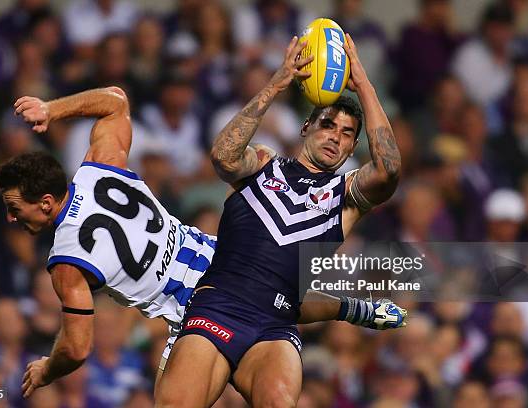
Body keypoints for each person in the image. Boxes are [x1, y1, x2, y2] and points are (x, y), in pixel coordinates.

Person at [0, 86, 406, 398]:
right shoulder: (98, 169)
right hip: (210, 252)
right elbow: (116, 100)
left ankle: (354, 308)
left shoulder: (66, 260)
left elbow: (77, 348)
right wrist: (51, 109)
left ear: (46, 202)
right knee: (279, 288)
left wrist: (48, 369)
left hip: (195, 302)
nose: (11, 217)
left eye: (14, 207)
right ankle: (356, 308)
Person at [155, 34, 404, 407]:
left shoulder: (346, 197)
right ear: (306, 127)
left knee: (279, 401)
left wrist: (364, 84)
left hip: (275, 324)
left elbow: (388, 170)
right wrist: (277, 83)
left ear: (354, 147)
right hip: (219, 305)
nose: (335, 137)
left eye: (347, 133)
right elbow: (223, 157)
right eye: (327, 125)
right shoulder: (263, 162)